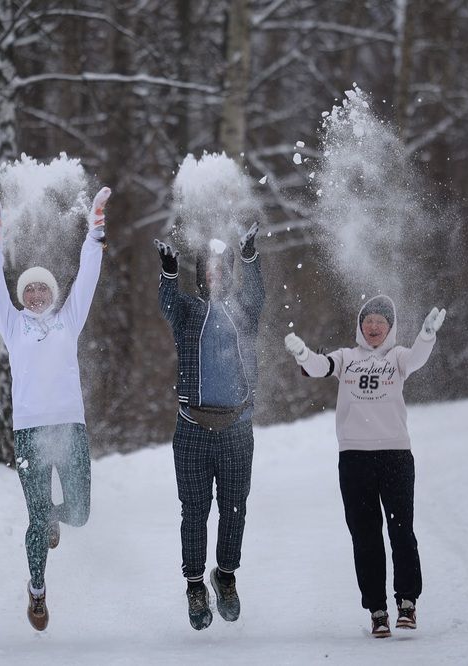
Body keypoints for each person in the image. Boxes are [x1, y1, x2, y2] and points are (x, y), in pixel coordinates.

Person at [0, 186, 111, 631]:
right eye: (29, 289)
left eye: (43, 288)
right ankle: (37, 588)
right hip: (30, 435)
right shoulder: (13, 325)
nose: (36, 294)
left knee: (79, 511)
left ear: (53, 294)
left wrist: (95, 231)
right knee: (36, 518)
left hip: (70, 429)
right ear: (21, 297)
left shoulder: (67, 321)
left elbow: (88, 276)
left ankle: (58, 517)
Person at [283, 295, 445, 638]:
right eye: (368, 321)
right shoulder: (346, 358)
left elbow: (417, 358)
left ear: (390, 329)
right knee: (366, 535)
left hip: (395, 455)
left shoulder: (399, 357)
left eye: (380, 323)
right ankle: (377, 609)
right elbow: (318, 366)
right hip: (355, 458)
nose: (374, 327)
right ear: (360, 325)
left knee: (401, 531)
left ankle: (407, 603)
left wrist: (427, 335)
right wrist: (301, 354)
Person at [153, 223, 264, 630]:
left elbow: (258, 295)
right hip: (192, 430)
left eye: (222, 269)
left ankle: (227, 576)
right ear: (200, 276)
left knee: (234, 510)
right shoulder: (188, 311)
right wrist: (168, 271)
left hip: (237, 427)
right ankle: (195, 585)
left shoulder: (242, 311)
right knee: (195, 511)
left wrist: (249, 256)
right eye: (208, 271)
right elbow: (166, 303)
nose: (214, 276)